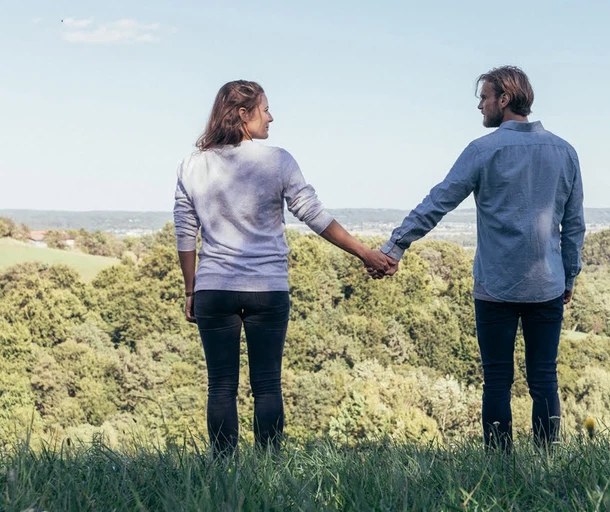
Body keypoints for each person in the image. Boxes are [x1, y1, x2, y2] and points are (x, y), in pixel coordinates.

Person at [173, 79, 395, 456]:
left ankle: (223, 470)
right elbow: (313, 215)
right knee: (267, 385)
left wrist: (191, 289)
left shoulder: (193, 164)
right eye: (265, 109)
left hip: (214, 288)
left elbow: (184, 231)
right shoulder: (278, 160)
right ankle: (269, 468)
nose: (271, 117)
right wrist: (364, 253)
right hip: (267, 288)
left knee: (221, 386)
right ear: (243, 115)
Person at [374, 66, 585, 450]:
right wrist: (569, 277)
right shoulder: (564, 152)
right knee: (544, 380)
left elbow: (439, 201)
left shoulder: (482, 150)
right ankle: (549, 463)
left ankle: (500, 467)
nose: (479, 107)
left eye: (483, 98)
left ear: (504, 100)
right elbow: (574, 226)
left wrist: (395, 246)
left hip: (495, 286)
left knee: (497, 381)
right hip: (547, 286)